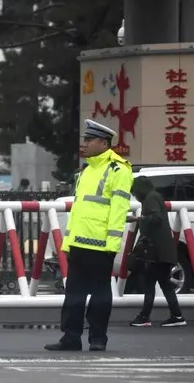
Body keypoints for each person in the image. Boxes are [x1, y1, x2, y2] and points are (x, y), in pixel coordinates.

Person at [45, 119, 133, 352]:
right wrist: (68, 241)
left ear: (103, 143)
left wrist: (112, 244)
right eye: (84, 139)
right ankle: (71, 338)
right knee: (73, 294)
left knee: (100, 295)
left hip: (101, 244)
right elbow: (80, 210)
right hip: (79, 243)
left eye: (89, 140)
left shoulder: (118, 169)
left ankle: (97, 339)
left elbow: (119, 209)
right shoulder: (86, 171)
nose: (84, 144)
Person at [128, 176, 186, 327]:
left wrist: (138, 219)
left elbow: (155, 218)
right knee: (163, 284)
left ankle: (145, 316)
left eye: (134, 191)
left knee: (150, 284)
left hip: (156, 252)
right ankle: (176, 315)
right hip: (163, 251)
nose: (134, 194)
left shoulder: (150, 199)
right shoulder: (155, 196)